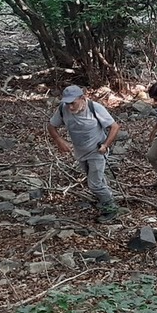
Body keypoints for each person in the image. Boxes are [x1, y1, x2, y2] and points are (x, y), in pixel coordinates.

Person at [47, 85, 122, 223]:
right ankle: (105, 198)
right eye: (67, 103)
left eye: (72, 103)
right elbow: (52, 126)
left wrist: (105, 145)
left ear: (82, 98)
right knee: (95, 179)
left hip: (97, 151)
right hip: (80, 151)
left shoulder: (95, 108)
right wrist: (59, 140)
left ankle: (111, 208)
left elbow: (114, 127)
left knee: (94, 184)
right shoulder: (63, 109)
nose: (70, 107)